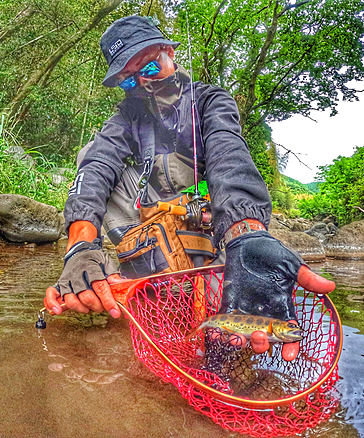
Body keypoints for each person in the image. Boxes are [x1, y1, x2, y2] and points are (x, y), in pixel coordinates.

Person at [44, 15, 335, 361]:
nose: (143, 84)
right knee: (89, 155)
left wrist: (248, 234)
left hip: (213, 221)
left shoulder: (211, 101)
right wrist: (79, 246)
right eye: (128, 81)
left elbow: (230, 155)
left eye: (150, 68)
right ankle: (129, 275)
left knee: (226, 326)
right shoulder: (126, 117)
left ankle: (221, 267)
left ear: (170, 52)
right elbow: (97, 167)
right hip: (151, 217)